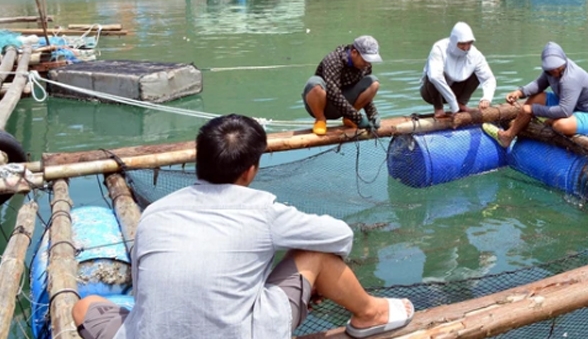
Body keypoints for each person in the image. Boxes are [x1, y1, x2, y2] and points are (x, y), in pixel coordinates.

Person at [72, 114, 414, 339]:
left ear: (198, 162)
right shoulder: (262, 209)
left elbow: (142, 276)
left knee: (84, 307)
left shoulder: (155, 213)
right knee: (315, 254)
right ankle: (372, 313)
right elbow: (340, 235)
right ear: (250, 170)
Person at [494, 42, 588, 147]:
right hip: (571, 105)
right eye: (551, 69)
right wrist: (519, 92)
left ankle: (510, 134)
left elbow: (565, 111)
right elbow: (539, 84)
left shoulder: (571, 78)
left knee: (559, 125)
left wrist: (533, 109)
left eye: (557, 67)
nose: (555, 71)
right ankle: (515, 131)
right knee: (536, 98)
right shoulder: (550, 71)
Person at [303, 35, 383, 135]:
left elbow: (364, 92)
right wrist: (358, 118)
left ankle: (349, 119)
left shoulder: (365, 66)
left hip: (346, 108)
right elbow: (334, 94)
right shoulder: (333, 60)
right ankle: (320, 120)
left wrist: (372, 114)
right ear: (354, 52)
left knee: (373, 83)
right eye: (365, 59)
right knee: (314, 84)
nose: (367, 63)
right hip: (323, 104)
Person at [420, 22, 496, 122]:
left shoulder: (475, 54)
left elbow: (489, 78)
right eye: (462, 44)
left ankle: (462, 103)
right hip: (431, 93)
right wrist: (453, 104)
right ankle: (439, 109)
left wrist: (486, 98)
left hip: (456, 92)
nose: (466, 48)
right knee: (433, 75)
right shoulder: (439, 48)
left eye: (469, 43)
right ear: (454, 41)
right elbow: (435, 77)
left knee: (477, 73)